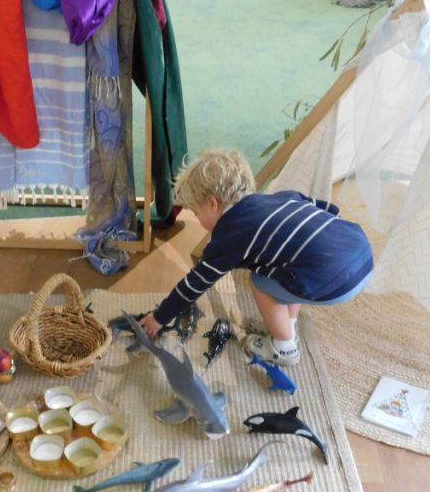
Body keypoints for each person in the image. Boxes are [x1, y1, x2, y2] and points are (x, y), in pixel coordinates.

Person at [138, 149, 373, 366]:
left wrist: (159, 318)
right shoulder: (280, 197)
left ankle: (284, 348)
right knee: (292, 260)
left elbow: (195, 283)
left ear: (212, 204)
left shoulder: (230, 235)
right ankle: (286, 327)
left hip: (335, 281)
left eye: (196, 213)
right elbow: (327, 209)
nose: (198, 220)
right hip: (359, 250)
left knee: (259, 282)